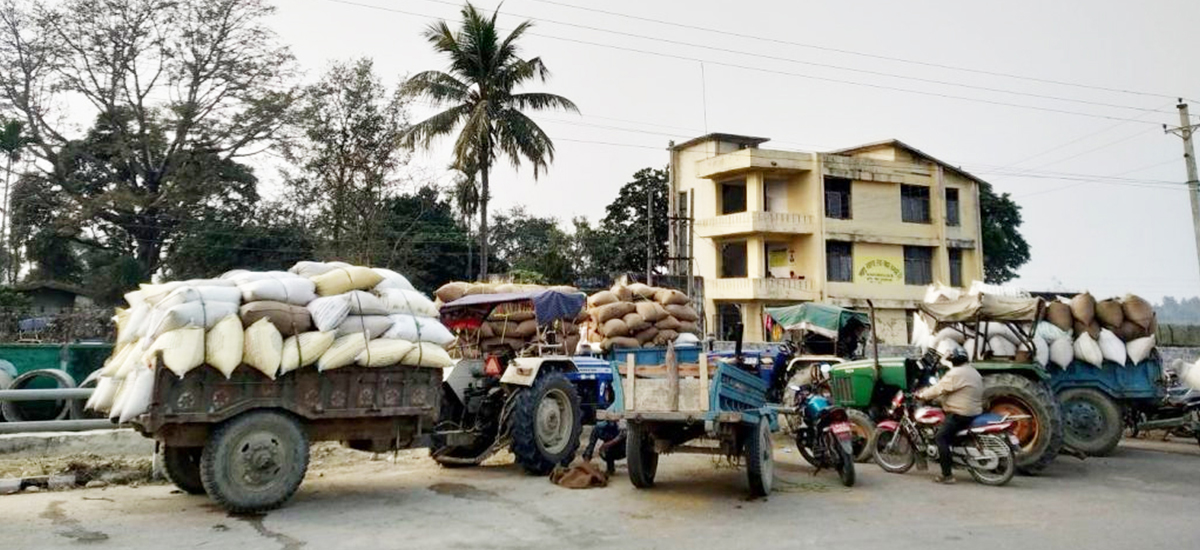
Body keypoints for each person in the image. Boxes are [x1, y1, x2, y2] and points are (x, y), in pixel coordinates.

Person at [916, 348, 983, 484]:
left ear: (953, 360)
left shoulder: (956, 373)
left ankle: (947, 475)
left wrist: (922, 395)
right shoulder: (972, 371)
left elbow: (938, 388)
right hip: (973, 411)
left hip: (960, 413)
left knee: (940, 438)